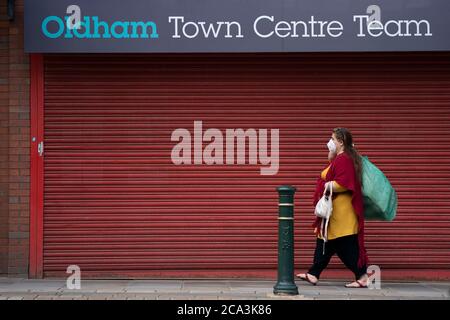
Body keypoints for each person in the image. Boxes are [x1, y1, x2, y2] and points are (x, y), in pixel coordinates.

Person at [296, 128, 369, 288]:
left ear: (341, 142)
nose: (330, 142)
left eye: (333, 139)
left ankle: (362, 276)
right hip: (335, 213)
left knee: (345, 246)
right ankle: (314, 274)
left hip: (341, 213)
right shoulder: (341, 158)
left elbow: (344, 183)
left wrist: (326, 185)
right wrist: (330, 159)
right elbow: (334, 174)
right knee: (324, 242)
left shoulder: (344, 158)